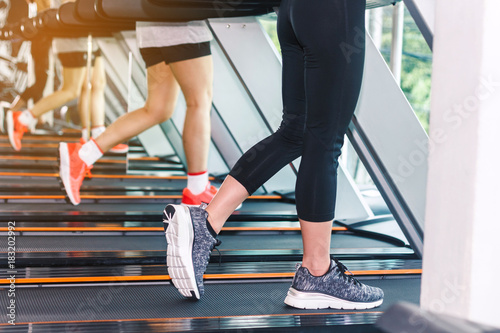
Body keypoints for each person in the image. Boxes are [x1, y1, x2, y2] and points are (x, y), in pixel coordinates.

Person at [162, 0, 384, 310]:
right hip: (333, 12)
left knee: (295, 132)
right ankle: (317, 272)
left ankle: (207, 221)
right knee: (326, 138)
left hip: (293, 12)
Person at [58, 21, 215, 206]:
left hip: (150, 30)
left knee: (157, 109)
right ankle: (197, 189)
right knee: (199, 102)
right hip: (181, 24)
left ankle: (83, 155)